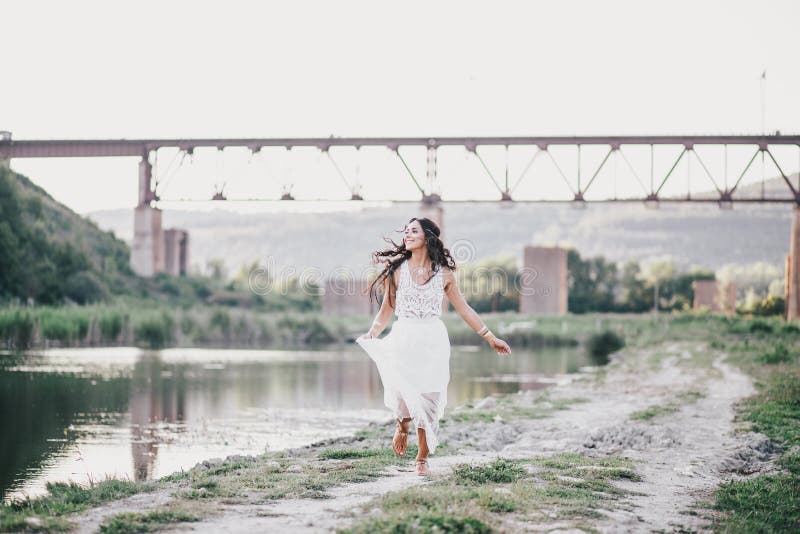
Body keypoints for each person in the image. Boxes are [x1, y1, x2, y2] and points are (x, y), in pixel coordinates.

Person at [356, 217, 511, 476]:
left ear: (428, 237)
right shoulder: (396, 272)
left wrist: (490, 337)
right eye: (406, 231)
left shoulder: (445, 274)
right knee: (405, 391)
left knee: (429, 397)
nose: (408, 234)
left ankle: (422, 458)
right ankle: (402, 425)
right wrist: (372, 333)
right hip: (404, 336)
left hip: (433, 341)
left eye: (413, 231)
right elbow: (386, 311)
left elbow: (464, 309)